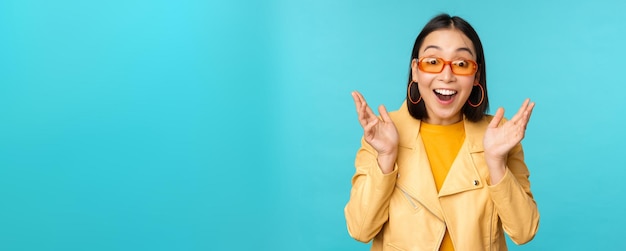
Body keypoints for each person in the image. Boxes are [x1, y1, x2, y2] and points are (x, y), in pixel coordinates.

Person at [344, 13, 539, 251]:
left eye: (461, 64)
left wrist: (496, 163)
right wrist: (385, 158)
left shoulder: (499, 135)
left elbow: (524, 231)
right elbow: (360, 229)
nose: (447, 76)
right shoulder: (383, 132)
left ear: (476, 76)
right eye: (433, 62)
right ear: (415, 70)